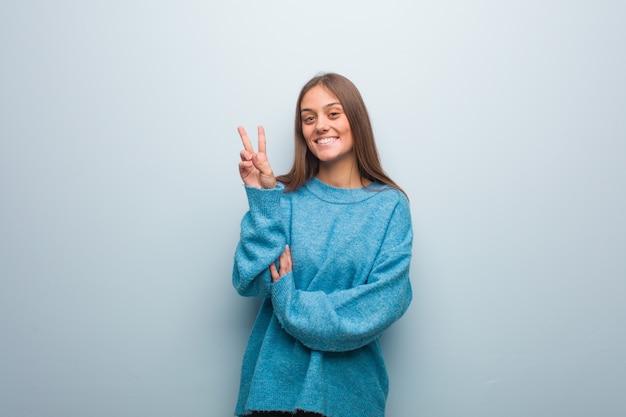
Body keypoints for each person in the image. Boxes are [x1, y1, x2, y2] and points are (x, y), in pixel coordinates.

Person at [233, 73, 413, 417]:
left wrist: (288, 301)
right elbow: (248, 279)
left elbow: (380, 305)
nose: (320, 126)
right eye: (309, 118)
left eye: (333, 113)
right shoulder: (280, 198)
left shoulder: (390, 206)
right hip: (272, 393)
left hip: (350, 395)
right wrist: (262, 199)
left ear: (355, 120)